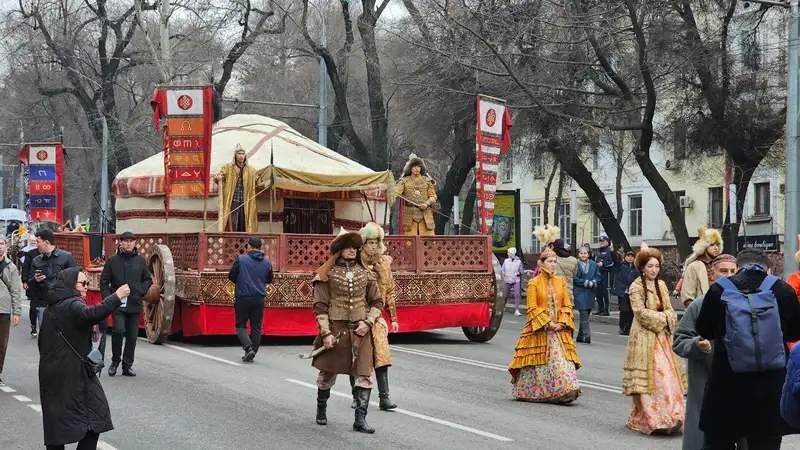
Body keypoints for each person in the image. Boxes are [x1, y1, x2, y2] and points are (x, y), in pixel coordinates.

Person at [696, 248, 800, 450]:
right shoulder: (782, 290)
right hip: (769, 390)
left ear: (738, 268)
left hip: (725, 386)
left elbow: (704, 330)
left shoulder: (719, 290)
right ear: (768, 269)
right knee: (765, 444)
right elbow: (794, 334)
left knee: (718, 443)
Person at [39, 267, 129, 450]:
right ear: (71, 284)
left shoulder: (53, 305)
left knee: (56, 422)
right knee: (96, 418)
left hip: (51, 370)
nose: (86, 287)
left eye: (87, 283)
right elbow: (92, 314)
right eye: (82, 283)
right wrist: (116, 296)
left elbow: (42, 341)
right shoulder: (72, 304)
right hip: (72, 371)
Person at [312, 228, 383, 433]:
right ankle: (321, 410)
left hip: (360, 331)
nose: (352, 251)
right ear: (340, 250)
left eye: (355, 248)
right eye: (348, 248)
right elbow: (320, 306)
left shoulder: (366, 274)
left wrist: (368, 322)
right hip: (336, 330)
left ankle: (360, 420)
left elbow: (377, 301)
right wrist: (325, 333)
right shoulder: (327, 274)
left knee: (365, 376)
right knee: (327, 375)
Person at [672, 254, 743, 450]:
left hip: (741, 386)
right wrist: (697, 344)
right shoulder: (699, 305)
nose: (729, 275)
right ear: (712, 274)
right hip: (707, 384)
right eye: (723, 271)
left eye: (733, 271)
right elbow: (679, 341)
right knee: (705, 440)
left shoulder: (746, 302)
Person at [622, 244, 686, 435]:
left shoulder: (662, 285)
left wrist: (667, 318)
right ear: (642, 267)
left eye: (656, 266)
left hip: (662, 338)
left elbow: (670, 310)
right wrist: (662, 318)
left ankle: (673, 415)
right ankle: (652, 418)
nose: (654, 270)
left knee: (668, 378)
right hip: (644, 337)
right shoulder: (635, 286)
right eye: (650, 266)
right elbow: (639, 313)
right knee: (652, 379)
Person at [508, 244, 581, 403]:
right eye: (550, 261)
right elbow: (531, 307)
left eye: (555, 261)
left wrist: (561, 322)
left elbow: (567, 305)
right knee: (537, 365)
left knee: (562, 362)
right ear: (541, 263)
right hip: (540, 329)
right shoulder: (534, 283)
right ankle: (541, 392)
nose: (553, 264)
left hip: (559, 331)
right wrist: (548, 323)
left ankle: (567, 389)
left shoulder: (560, 281)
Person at [352, 222, 399, 411]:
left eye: (375, 242)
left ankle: (384, 397)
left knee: (382, 355)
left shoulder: (384, 264)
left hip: (377, 315)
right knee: (357, 358)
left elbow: (390, 292)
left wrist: (393, 318)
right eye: (369, 242)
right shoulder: (354, 264)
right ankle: (356, 396)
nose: (372, 246)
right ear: (363, 244)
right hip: (357, 314)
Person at [99, 231, 152, 377]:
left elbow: (147, 279)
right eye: (125, 241)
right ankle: (115, 361)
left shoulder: (140, 261)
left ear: (135, 243)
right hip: (118, 303)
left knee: (132, 336)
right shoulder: (112, 261)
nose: (128, 243)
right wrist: (109, 298)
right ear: (120, 243)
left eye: (131, 241)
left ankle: (127, 365)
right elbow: (104, 281)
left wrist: (140, 290)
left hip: (134, 303)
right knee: (117, 331)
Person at [228, 236, 273, 363]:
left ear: (249, 246)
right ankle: (253, 350)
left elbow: (231, 275)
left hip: (243, 296)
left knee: (240, 325)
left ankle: (248, 348)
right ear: (260, 247)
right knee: (256, 327)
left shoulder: (241, 260)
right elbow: (269, 280)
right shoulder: (267, 262)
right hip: (259, 297)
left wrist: (242, 281)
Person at [215, 143, 259, 233]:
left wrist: (267, 182)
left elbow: (258, 182)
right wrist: (218, 177)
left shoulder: (251, 170)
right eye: (239, 154)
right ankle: (231, 243)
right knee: (233, 223)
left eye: (243, 154)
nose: (241, 156)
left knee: (244, 224)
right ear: (235, 155)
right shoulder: (227, 168)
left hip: (246, 201)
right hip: (232, 200)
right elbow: (219, 176)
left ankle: (246, 244)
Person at [28, 229, 77, 304]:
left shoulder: (67, 257)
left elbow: (75, 279)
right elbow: (29, 283)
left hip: (63, 302)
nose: (36, 245)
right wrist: (35, 280)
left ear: (46, 242)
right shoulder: (36, 261)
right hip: (43, 302)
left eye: (38, 242)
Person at [395, 153, 437, 236]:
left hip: (425, 213)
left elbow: (433, 196)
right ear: (410, 168)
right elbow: (396, 194)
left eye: (418, 166)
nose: (416, 168)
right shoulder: (404, 181)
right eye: (414, 166)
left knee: (428, 241)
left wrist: (426, 203)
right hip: (409, 214)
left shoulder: (428, 181)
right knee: (409, 242)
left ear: (421, 167)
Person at [680, 227, 722, 307]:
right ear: (704, 246)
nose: (716, 248)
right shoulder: (694, 266)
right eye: (712, 245)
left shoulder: (720, 264)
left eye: (718, 244)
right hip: (701, 312)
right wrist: (698, 313)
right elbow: (687, 297)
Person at [0, 237, 22, 384]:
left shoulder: (10, 267)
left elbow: (15, 290)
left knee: (1, 344)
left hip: (3, 309)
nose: (0, 247)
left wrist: (17, 312)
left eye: (1, 244)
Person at [573, 245, 600, 344]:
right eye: (581, 253)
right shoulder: (576, 264)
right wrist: (585, 282)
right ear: (578, 254)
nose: (583, 255)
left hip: (590, 292)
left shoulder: (593, 264)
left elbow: (598, 276)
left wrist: (593, 282)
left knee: (587, 313)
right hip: (579, 292)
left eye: (585, 253)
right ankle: (586, 335)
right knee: (583, 313)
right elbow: (575, 278)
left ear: (588, 254)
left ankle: (580, 336)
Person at [613, 251, 638, 335]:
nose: (630, 258)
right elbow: (614, 261)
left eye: (632, 256)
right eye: (628, 256)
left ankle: (629, 327)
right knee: (624, 310)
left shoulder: (636, 268)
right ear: (625, 257)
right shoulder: (621, 266)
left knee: (631, 311)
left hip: (632, 292)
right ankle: (622, 327)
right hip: (623, 291)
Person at [22, 236, 42, 337]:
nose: (36, 243)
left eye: (37, 241)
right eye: (35, 241)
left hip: (45, 284)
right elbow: (25, 267)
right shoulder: (31, 253)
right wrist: (25, 281)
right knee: (33, 307)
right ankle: (33, 325)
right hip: (33, 282)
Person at [594, 235, 616, 316]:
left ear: (607, 242)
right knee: (598, 292)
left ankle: (607, 310)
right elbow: (596, 260)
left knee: (606, 292)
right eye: (600, 241)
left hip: (607, 273)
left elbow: (612, 262)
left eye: (603, 241)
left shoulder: (610, 251)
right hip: (599, 273)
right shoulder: (599, 251)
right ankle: (600, 309)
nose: (601, 242)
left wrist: (603, 264)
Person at [501, 247, 524, 316]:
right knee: (505, 295)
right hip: (507, 279)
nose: (508, 253)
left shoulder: (518, 261)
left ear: (512, 253)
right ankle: (503, 307)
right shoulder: (506, 261)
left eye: (509, 252)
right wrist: (503, 273)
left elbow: (521, 271)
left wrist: (518, 273)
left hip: (515, 280)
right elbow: (502, 270)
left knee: (517, 295)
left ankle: (516, 310)